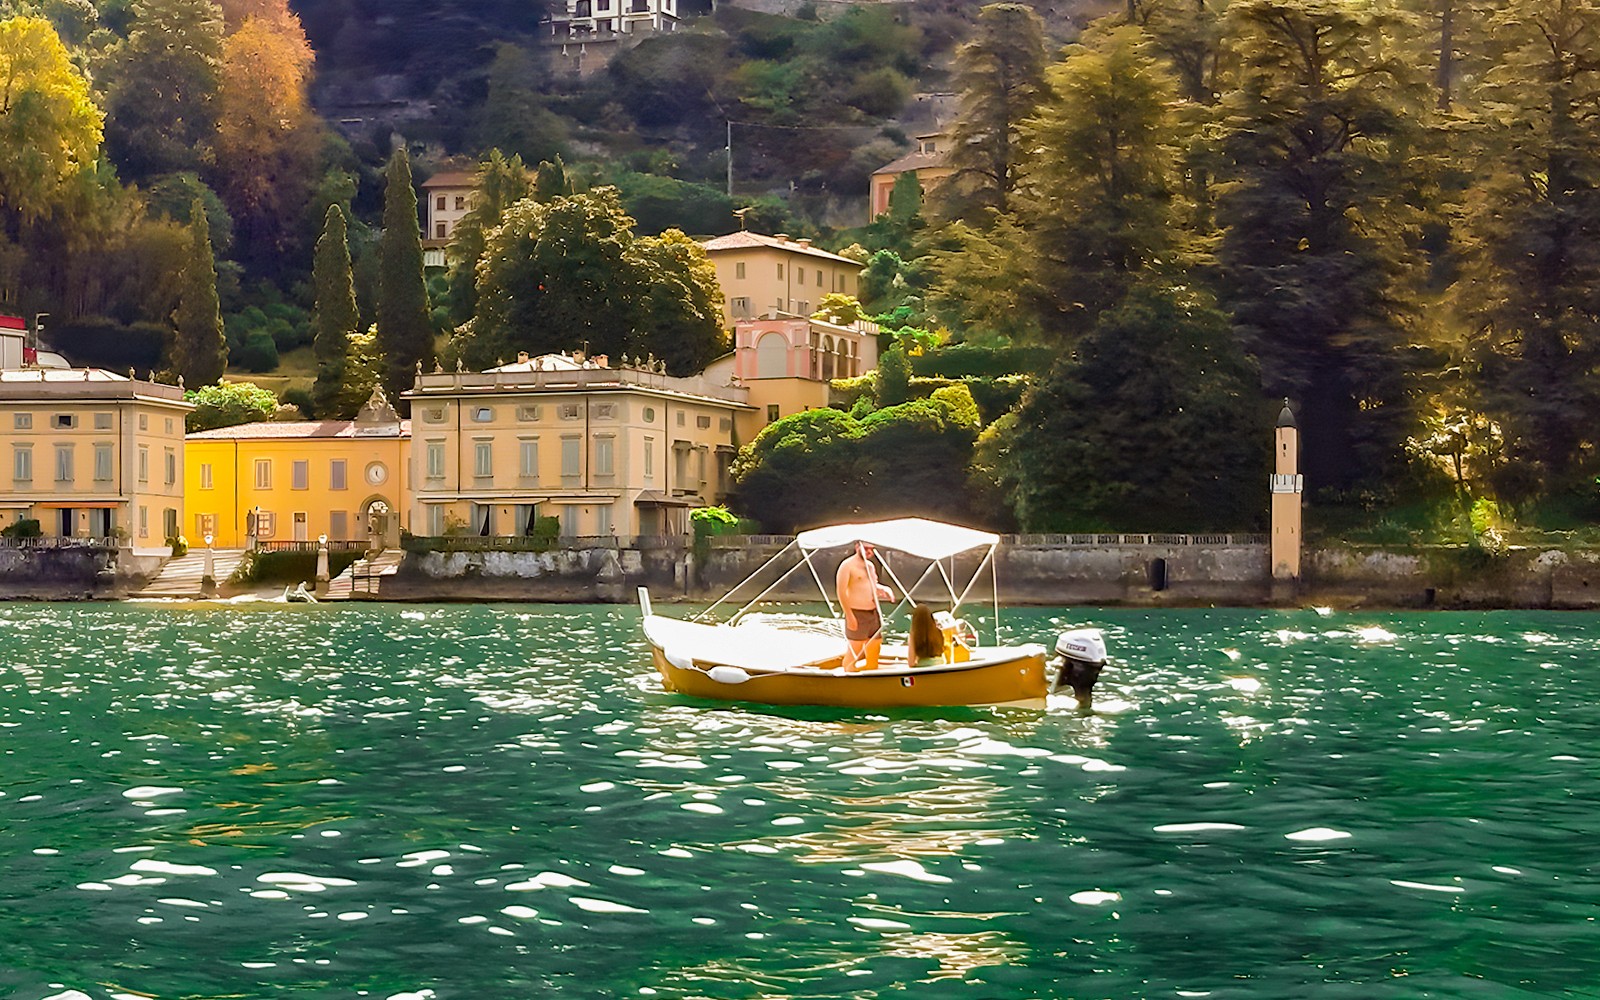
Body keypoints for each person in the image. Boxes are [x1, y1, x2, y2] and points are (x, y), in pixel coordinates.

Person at [836, 540, 892, 671]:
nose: (869, 552)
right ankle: (848, 675)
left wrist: (884, 590)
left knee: (875, 647)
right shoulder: (847, 566)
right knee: (855, 649)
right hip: (857, 612)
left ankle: (871, 672)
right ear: (857, 547)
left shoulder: (870, 566)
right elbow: (841, 591)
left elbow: (872, 585)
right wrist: (849, 616)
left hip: (873, 612)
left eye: (872, 549)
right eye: (866, 548)